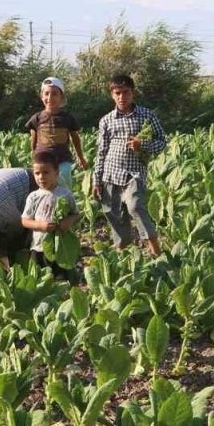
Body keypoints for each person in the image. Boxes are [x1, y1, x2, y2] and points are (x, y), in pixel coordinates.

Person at [93, 73, 166, 257]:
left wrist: (143, 145)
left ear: (133, 93)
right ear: (112, 94)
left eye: (125, 92)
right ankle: (122, 253)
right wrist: (96, 180)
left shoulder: (146, 116)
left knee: (135, 207)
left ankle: (156, 251)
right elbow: (101, 152)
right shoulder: (106, 120)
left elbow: (162, 142)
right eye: (117, 93)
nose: (121, 97)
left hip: (135, 173)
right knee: (113, 213)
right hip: (110, 173)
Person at [21, 150, 79, 279]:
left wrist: (67, 222)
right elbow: (25, 221)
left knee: (60, 279)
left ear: (57, 173)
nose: (41, 177)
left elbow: (75, 213)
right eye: (37, 173)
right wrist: (40, 225)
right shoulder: (33, 196)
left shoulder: (65, 194)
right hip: (38, 246)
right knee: (38, 278)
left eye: (46, 172)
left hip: (60, 246)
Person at [25, 76, 87, 189]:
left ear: (61, 97)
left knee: (64, 191)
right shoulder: (37, 118)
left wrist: (80, 157)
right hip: (43, 161)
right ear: (41, 96)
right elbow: (33, 139)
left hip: (62, 161)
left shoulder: (67, 118)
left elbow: (75, 138)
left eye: (54, 94)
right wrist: (35, 156)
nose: (50, 97)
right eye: (46, 93)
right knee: (44, 191)